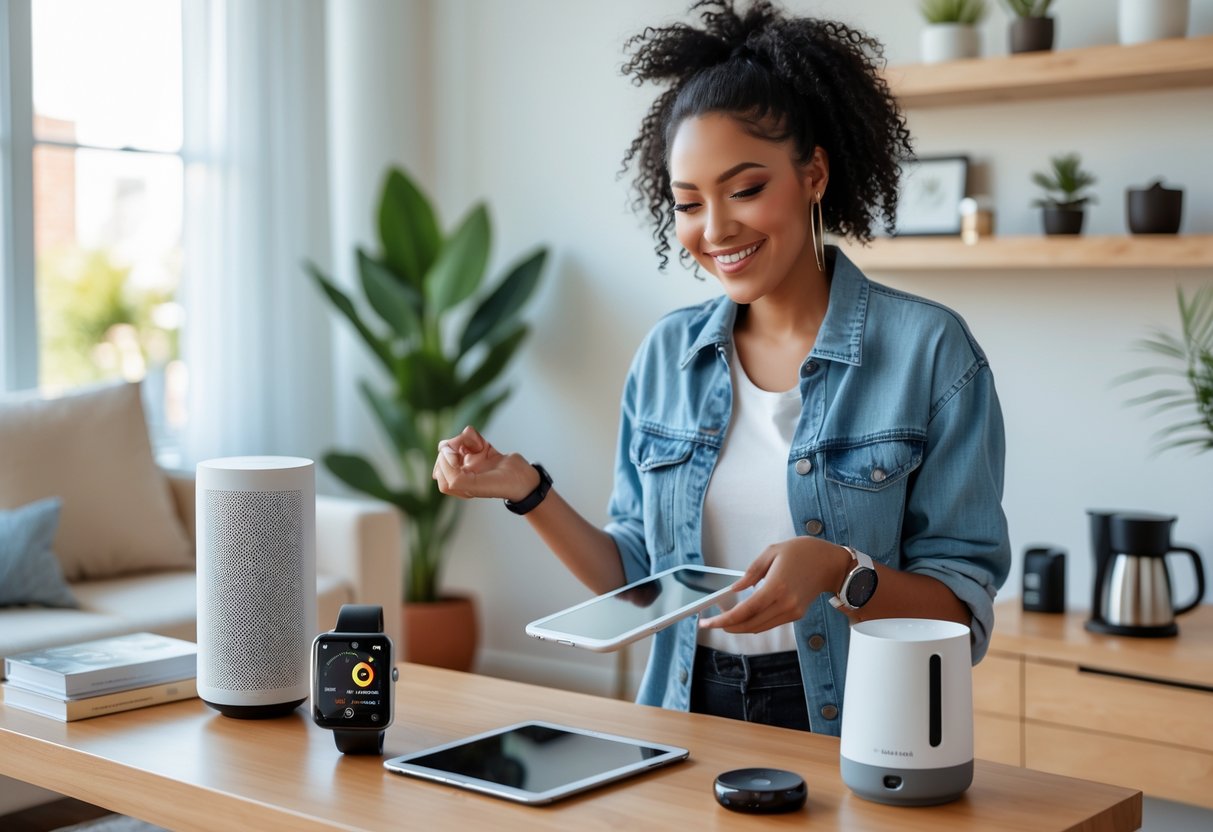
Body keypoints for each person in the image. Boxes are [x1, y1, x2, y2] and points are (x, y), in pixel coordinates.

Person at [433, 0, 1010, 735]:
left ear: (814, 174)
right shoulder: (665, 358)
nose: (715, 229)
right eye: (687, 202)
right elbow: (640, 582)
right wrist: (526, 489)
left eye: (744, 190)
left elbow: (959, 616)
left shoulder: (929, 351)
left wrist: (841, 570)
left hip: (856, 721)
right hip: (682, 710)